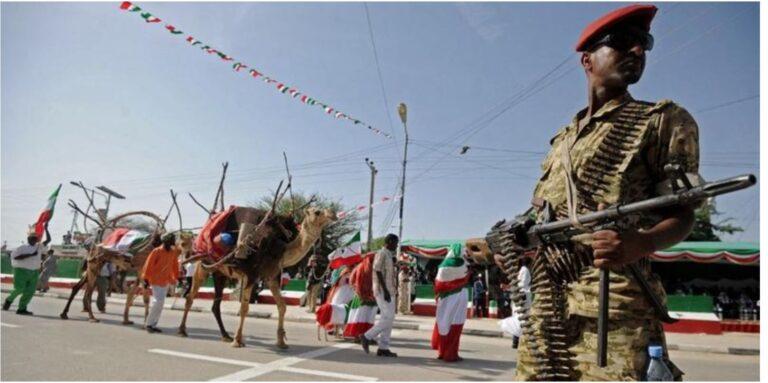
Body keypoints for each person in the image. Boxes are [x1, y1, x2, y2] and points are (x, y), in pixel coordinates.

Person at [513, 4, 699, 380]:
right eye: (623, 42)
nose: (638, 52)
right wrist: (516, 243)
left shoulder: (661, 121)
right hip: (549, 306)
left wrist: (640, 242)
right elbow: (542, 216)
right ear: (587, 60)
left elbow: (684, 213)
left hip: (613, 308)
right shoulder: (562, 141)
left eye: (644, 43)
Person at [361, 234, 399, 357]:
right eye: (395, 242)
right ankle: (367, 336)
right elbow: (377, 270)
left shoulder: (389, 254)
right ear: (389, 241)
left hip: (390, 290)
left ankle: (383, 347)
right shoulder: (381, 253)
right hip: (383, 291)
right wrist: (386, 290)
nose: (397, 245)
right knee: (388, 318)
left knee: (389, 318)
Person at [431, 245, 470, 362]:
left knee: (443, 325)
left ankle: (441, 352)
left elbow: (438, 284)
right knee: (455, 324)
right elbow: (466, 276)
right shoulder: (462, 265)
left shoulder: (443, 266)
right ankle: (451, 354)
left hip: (444, 299)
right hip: (458, 297)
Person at [3, 227, 50, 315]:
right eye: (32, 238)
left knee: (30, 291)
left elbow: (48, 240)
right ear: (28, 239)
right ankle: (9, 300)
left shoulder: (39, 247)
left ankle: (21, 309)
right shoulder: (22, 247)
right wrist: (30, 255)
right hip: (21, 271)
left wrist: (46, 229)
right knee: (19, 289)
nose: (34, 240)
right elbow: (14, 257)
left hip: (34, 272)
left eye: (35, 238)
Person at [141, 233, 180, 333]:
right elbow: (148, 265)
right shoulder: (157, 251)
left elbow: (175, 266)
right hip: (155, 280)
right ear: (166, 241)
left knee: (161, 303)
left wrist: (176, 277)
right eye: (171, 241)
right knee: (157, 301)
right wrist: (145, 279)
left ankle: (153, 324)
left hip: (166, 281)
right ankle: (148, 324)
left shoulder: (172, 252)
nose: (172, 243)